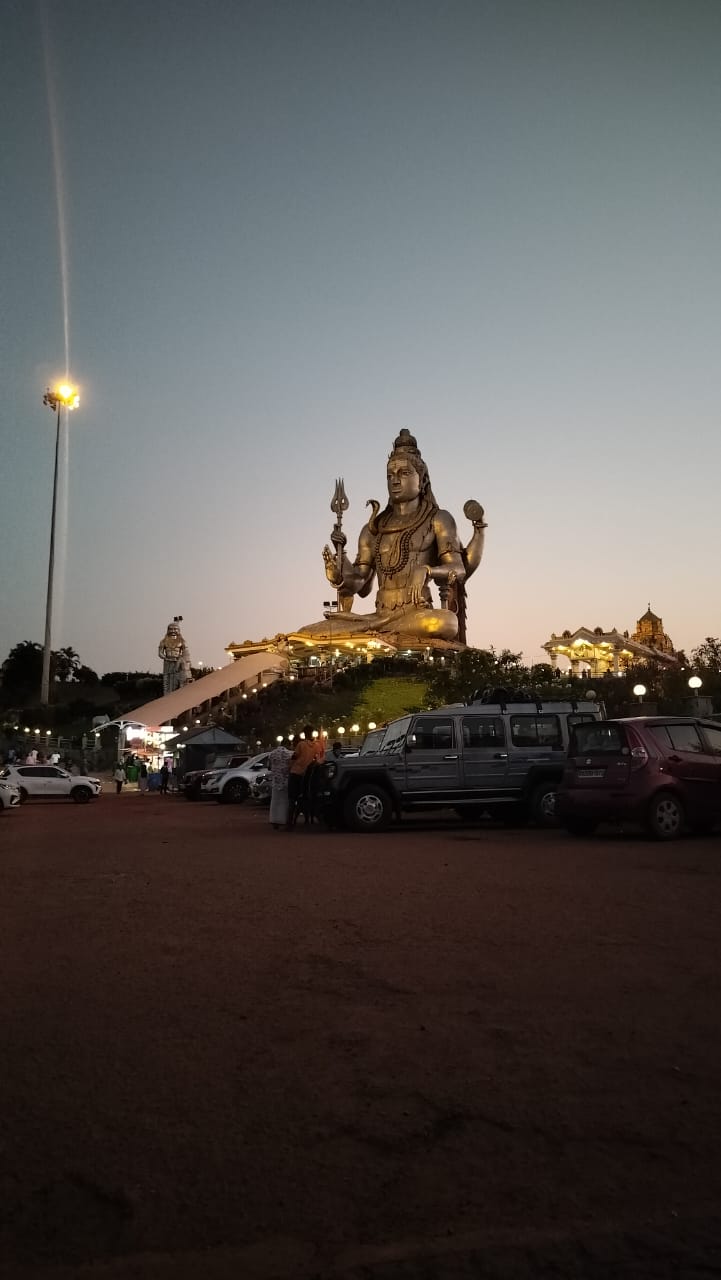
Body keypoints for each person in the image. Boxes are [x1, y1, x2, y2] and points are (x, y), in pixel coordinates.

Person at [300, 430, 487, 646]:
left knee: (443, 622)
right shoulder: (373, 528)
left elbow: (459, 569)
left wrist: (428, 570)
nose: (395, 481)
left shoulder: (438, 519)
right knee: (310, 632)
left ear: (422, 479)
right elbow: (361, 585)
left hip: (417, 613)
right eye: (390, 476)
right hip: (378, 616)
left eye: (404, 473)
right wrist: (338, 573)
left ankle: (375, 633)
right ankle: (376, 630)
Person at [286, 725, 324, 828]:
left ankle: (289, 823)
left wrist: (289, 765)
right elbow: (319, 758)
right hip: (308, 775)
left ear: (304, 733)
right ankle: (308, 820)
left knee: (292, 799)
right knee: (307, 798)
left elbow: (294, 757)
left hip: (296, 773)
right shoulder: (317, 745)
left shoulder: (301, 744)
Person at [267, 740, 292, 829]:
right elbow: (290, 766)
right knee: (284, 801)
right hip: (285, 780)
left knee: (275, 801)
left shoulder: (272, 753)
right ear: (287, 744)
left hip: (275, 781)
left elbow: (269, 767)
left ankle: (274, 820)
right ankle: (283, 820)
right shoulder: (289, 753)